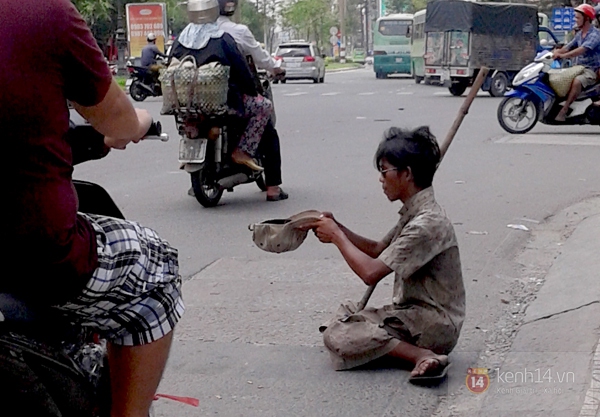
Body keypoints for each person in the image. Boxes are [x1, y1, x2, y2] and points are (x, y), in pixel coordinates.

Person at [1, 1, 184, 416]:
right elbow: (117, 122)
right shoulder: (45, 13)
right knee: (158, 270)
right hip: (35, 256)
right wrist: (137, 122)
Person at [302, 127, 465, 381]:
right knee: (343, 318)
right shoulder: (415, 213)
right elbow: (379, 249)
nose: (381, 179)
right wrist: (338, 227)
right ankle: (397, 348)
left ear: (406, 174)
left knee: (340, 334)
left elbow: (371, 272)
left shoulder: (427, 224)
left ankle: (421, 355)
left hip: (433, 326)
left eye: (384, 171)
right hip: (412, 316)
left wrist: (336, 236)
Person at [170, 0, 272, 172]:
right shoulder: (223, 38)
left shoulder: (180, 40)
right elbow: (241, 69)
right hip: (225, 102)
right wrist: (251, 90)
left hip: (187, 102)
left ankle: (192, 149)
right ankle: (243, 151)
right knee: (263, 106)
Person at [215, 0, 288, 201]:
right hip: (232, 97)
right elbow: (258, 59)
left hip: (197, 98)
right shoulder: (234, 33)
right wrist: (275, 67)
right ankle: (272, 187)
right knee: (266, 118)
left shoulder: (189, 33)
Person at [552, 4, 600, 121]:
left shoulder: (595, 35)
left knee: (578, 81)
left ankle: (565, 109)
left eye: (578, 18)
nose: (575, 20)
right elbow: (568, 47)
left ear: (587, 19)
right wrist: (555, 52)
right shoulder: (579, 34)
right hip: (577, 67)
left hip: (590, 70)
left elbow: (580, 50)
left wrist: (563, 55)